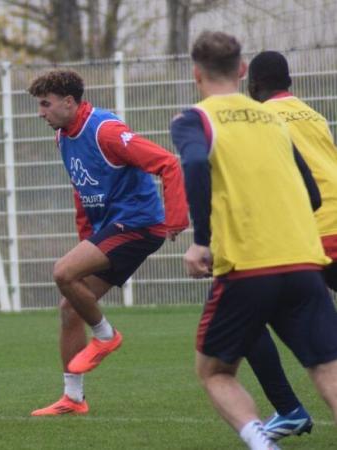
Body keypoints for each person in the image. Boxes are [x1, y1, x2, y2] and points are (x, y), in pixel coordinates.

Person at [170, 31, 337, 450]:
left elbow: (191, 161)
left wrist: (202, 239)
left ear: (196, 74)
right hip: (303, 261)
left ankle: (264, 444)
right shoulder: (276, 120)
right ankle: (287, 412)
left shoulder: (196, 119)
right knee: (327, 368)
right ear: (241, 70)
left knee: (215, 371)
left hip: (248, 266)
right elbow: (313, 193)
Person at [27, 69, 189, 416]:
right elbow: (81, 191)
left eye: (45, 104)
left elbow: (168, 163)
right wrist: (88, 240)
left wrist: (176, 220)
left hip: (139, 224)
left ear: (69, 102)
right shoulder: (63, 136)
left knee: (62, 272)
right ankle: (72, 398)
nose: (40, 112)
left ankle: (105, 335)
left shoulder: (106, 130)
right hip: (112, 228)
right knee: (70, 305)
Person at [243, 50, 337, 441]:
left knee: (243, 316)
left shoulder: (260, 119)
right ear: (290, 83)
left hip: (307, 231)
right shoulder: (312, 113)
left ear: (253, 86)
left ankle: (289, 409)